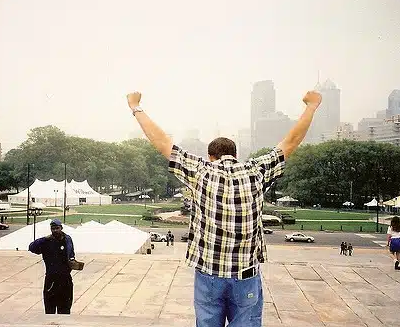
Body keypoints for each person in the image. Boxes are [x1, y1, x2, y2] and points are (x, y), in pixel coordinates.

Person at [126, 90, 322, 326]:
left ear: (211, 156)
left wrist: (135, 106)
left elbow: (161, 142)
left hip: (209, 273)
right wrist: (311, 106)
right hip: (246, 274)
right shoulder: (256, 171)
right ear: (235, 155)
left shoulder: (200, 171)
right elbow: (290, 142)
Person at [29, 219, 75, 314]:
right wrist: (44, 239)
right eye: (53, 229)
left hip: (65, 279)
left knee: (65, 309)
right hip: (52, 280)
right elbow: (31, 247)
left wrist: (73, 261)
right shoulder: (47, 242)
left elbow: (71, 254)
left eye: (57, 228)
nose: (55, 231)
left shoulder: (68, 239)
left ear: (61, 228)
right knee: (50, 309)